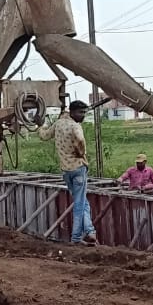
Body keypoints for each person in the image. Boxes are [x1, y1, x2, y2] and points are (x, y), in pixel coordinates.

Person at [39, 100, 98, 245]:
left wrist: (40, 125)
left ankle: (90, 231)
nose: (83, 116)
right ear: (71, 112)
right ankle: (76, 238)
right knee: (79, 205)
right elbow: (80, 141)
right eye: (80, 112)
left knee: (82, 202)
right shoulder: (75, 126)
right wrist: (81, 153)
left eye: (84, 113)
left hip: (66, 171)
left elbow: (44, 136)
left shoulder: (59, 123)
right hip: (78, 168)